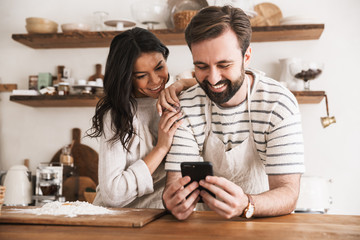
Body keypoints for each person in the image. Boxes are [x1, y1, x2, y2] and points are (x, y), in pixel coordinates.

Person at [163, 6, 305, 220]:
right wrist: (174, 201)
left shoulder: (278, 104)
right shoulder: (186, 105)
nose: (212, 79)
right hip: (206, 226)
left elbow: (288, 192)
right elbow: (175, 184)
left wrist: (247, 204)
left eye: (224, 65)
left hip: (267, 224)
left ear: (246, 56)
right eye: (201, 66)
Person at [87, 27, 196, 209]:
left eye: (159, 67)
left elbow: (228, 82)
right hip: (121, 221)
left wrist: (183, 83)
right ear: (126, 77)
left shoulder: (178, 96)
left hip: (165, 218)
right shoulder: (116, 115)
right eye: (141, 76)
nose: (155, 81)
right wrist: (161, 147)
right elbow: (113, 195)